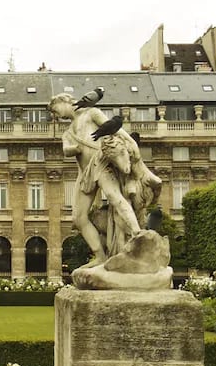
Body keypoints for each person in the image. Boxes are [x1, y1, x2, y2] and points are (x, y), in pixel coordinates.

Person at [48, 94, 162, 270]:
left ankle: (136, 232)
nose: (57, 115)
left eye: (56, 110)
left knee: (114, 197)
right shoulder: (68, 132)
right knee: (79, 218)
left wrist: (133, 145)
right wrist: (74, 149)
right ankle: (100, 256)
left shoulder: (91, 113)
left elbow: (117, 131)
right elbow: (65, 150)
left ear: (65, 101)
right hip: (84, 174)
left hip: (100, 164)